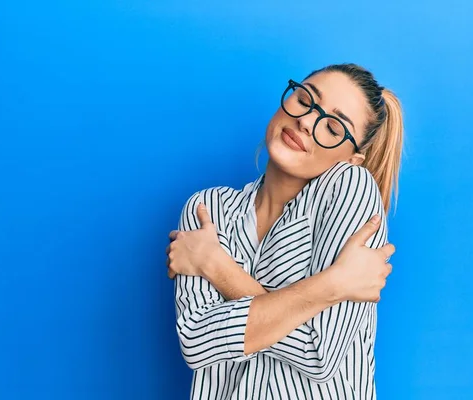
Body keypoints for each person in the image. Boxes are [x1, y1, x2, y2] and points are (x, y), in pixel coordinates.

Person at [165, 63, 403, 399]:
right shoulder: (207, 209)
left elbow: (319, 354)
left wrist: (218, 268)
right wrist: (334, 284)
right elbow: (196, 341)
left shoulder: (351, 188)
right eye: (305, 99)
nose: (306, 121)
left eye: (333, 128)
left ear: (352, 158)